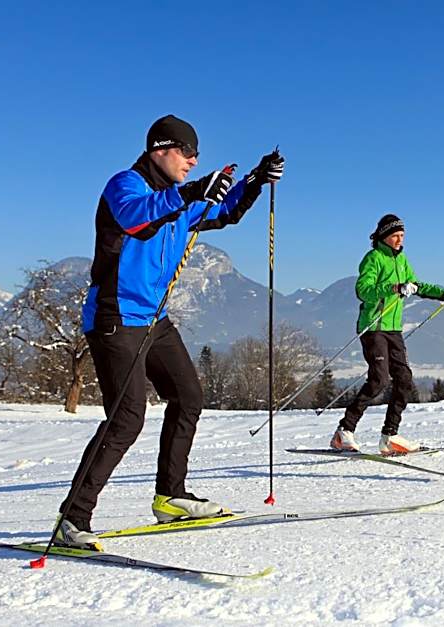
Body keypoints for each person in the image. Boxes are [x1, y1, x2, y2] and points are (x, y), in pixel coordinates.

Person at [56, 114, 284, 548]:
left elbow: (226, 210)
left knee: (188, 396)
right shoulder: (126, 185)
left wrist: (255, 179)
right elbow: (136, 219)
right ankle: (73, 518)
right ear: (161, 149)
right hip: (115, 318)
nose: (194, 162)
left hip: (153, 320)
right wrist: (191, 192)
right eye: (188, 153)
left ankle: (170, 496)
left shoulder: (179, 197)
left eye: (198, 156)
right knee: (126, 419)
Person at [331, 214, 444, 455]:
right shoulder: (373, 258)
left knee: (404, 379)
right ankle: (344, 431)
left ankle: (389, 436)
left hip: (393, 329)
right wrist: (394, 288)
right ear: (384, 235)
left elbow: (417, 285)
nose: (399, 240)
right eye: (395, 235)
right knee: (379, 380)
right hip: (373, 328)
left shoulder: (401, 259)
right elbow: (363, 290)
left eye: (402, 235)